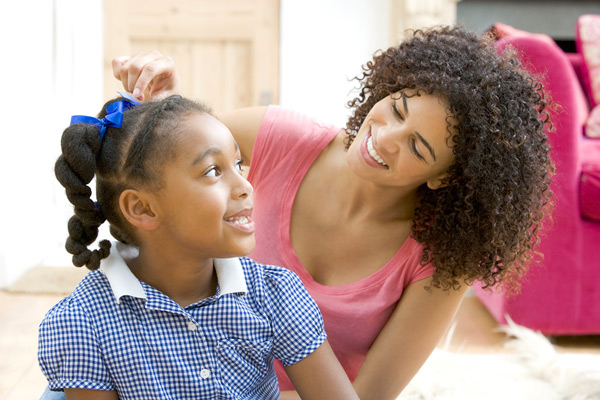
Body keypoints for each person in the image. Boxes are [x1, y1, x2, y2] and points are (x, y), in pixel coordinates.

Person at [111, 25, 554, 399]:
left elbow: (368, 395)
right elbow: (164, 164)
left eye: (417, 147)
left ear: (446, 178)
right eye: (397, 109)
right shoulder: (282, 139)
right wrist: (161, 103)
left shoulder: (440, 260)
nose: (386, 138)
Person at [38, 94, 359, 400]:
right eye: (213, 171)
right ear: (142, 209)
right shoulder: (82, 323)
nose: (245, 186)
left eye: (239, 164)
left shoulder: (276, 293)